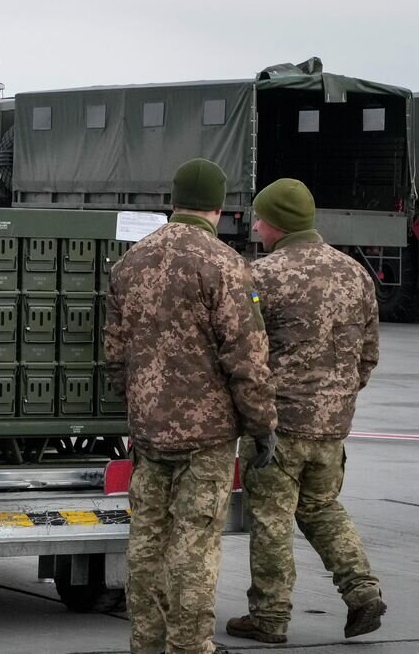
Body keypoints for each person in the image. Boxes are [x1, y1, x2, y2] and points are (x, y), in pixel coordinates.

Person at [104, 157, 277, 654]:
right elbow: (246, 357)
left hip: (149, 431)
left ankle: (147, 642)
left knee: (147, 543)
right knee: (194, 546)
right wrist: (261, 424)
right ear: (219, 208)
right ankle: (189, 646)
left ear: (172, 201)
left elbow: (114, 354)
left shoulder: (131, 261)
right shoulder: (225, 265)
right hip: (208, 438)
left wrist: (139, 407)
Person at [226, 178, 386, 644]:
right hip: (332, 426)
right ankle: (362, 590)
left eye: (260, 218)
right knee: (322, 507)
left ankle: (270, 616)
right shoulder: (355, 273)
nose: (255, 226)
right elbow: (368, 355)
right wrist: (336, 399)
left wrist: (252, 412)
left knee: (271, 519)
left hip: (278, 424)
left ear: (277, 223)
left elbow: (245, 353)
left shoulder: (263, 275)